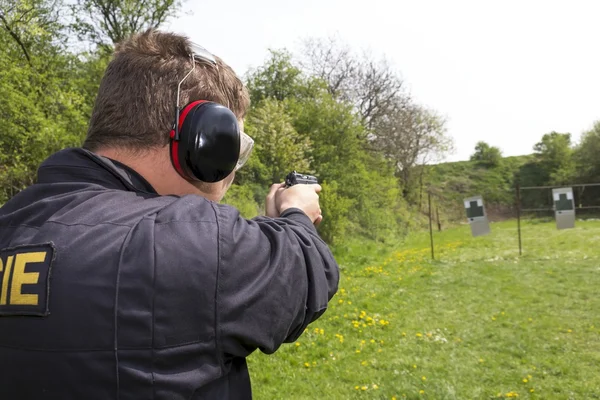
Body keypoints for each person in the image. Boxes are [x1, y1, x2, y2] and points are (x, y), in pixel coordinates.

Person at [0, 29, 339, 399]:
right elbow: (303, 269)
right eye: (235, 149)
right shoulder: (193, 240)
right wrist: (294, 213)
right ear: (207, 142)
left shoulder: (10, 222)